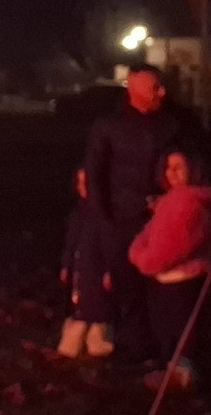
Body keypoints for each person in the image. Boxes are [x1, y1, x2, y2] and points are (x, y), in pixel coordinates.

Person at [81, 66, 192, 363]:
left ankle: (165, 348)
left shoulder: (170, 124)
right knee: (126, 286)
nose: (162, 93)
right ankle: (133, 348)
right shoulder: (107, 127)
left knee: (162, 286)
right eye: (155, 88)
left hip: (159, 217)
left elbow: (181, 160)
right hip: (121, 218)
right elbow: (96, 174)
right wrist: (104, 218)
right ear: (134, 89)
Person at [125, 147, 211, 391]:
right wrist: (141, 253)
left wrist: (145, 260)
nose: (171, 173)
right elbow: (147, 235)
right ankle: (172, 366)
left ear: (194, 170)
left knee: (184, 330)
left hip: (184, 278)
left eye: (178, 168)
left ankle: (184, 373)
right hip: (166, 277)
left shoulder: (189, 203)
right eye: (167, 168)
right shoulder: (170, 200)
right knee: (169, 329)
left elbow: (176, 245)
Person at [56, 167, 115, 358]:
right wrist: (66, 265)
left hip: (96, 269)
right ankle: (71, 346)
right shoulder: (78, 214)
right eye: (80, 182)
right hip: (80, 268)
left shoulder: (106, 214)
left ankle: (98, 345)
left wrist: (109, 270)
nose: (83, 187)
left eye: (87, 182)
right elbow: (70, 243)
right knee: (78, 306)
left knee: (97, 309)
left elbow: (111, 245)